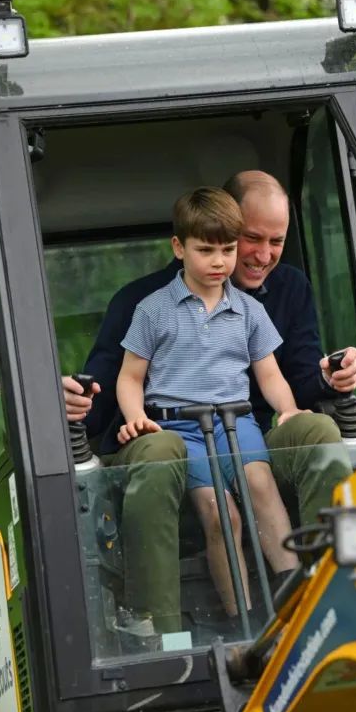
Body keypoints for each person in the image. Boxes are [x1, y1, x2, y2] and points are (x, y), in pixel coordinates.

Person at [64, 170, 356, 634]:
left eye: (276, 241)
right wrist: (85, 403)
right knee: (206, 498)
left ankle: (322, 596)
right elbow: (115, 385)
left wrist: (325, 381)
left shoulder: (275, 297)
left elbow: (283, 375)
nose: (260, 256)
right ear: (184, 245)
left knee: (315, 436)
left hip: (243, 426)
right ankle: (167, 628)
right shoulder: (146, 304)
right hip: (172, 432)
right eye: (248, 240)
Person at [115, 187, 300, 619]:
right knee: (221, 515)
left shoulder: (250, 311)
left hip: (237, 421)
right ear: (179, 248)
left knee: (261, 487)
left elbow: (268, 373)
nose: (219, 262)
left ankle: (296, 597)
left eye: (228, 250)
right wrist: (137, 418)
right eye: (206, 250)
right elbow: (130, 377)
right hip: (181, 428)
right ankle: (244, 618)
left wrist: (287, 410)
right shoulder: (153, 310)